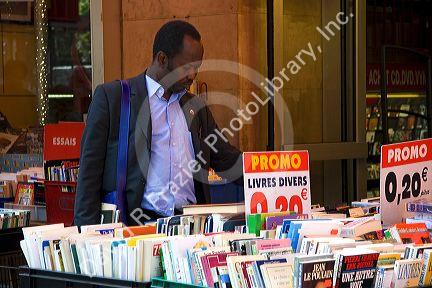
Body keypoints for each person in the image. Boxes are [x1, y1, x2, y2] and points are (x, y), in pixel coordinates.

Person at [74, 20, 242, 226]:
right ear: (162, 59)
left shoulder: (195, 108)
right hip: (135, 229)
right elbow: (89, 175)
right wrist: (87, 235)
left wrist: (275, 172)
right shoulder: (113, 99)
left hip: (190, 230)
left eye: (196, 67)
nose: (193, 75)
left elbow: (227, 160)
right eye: (186, 67)